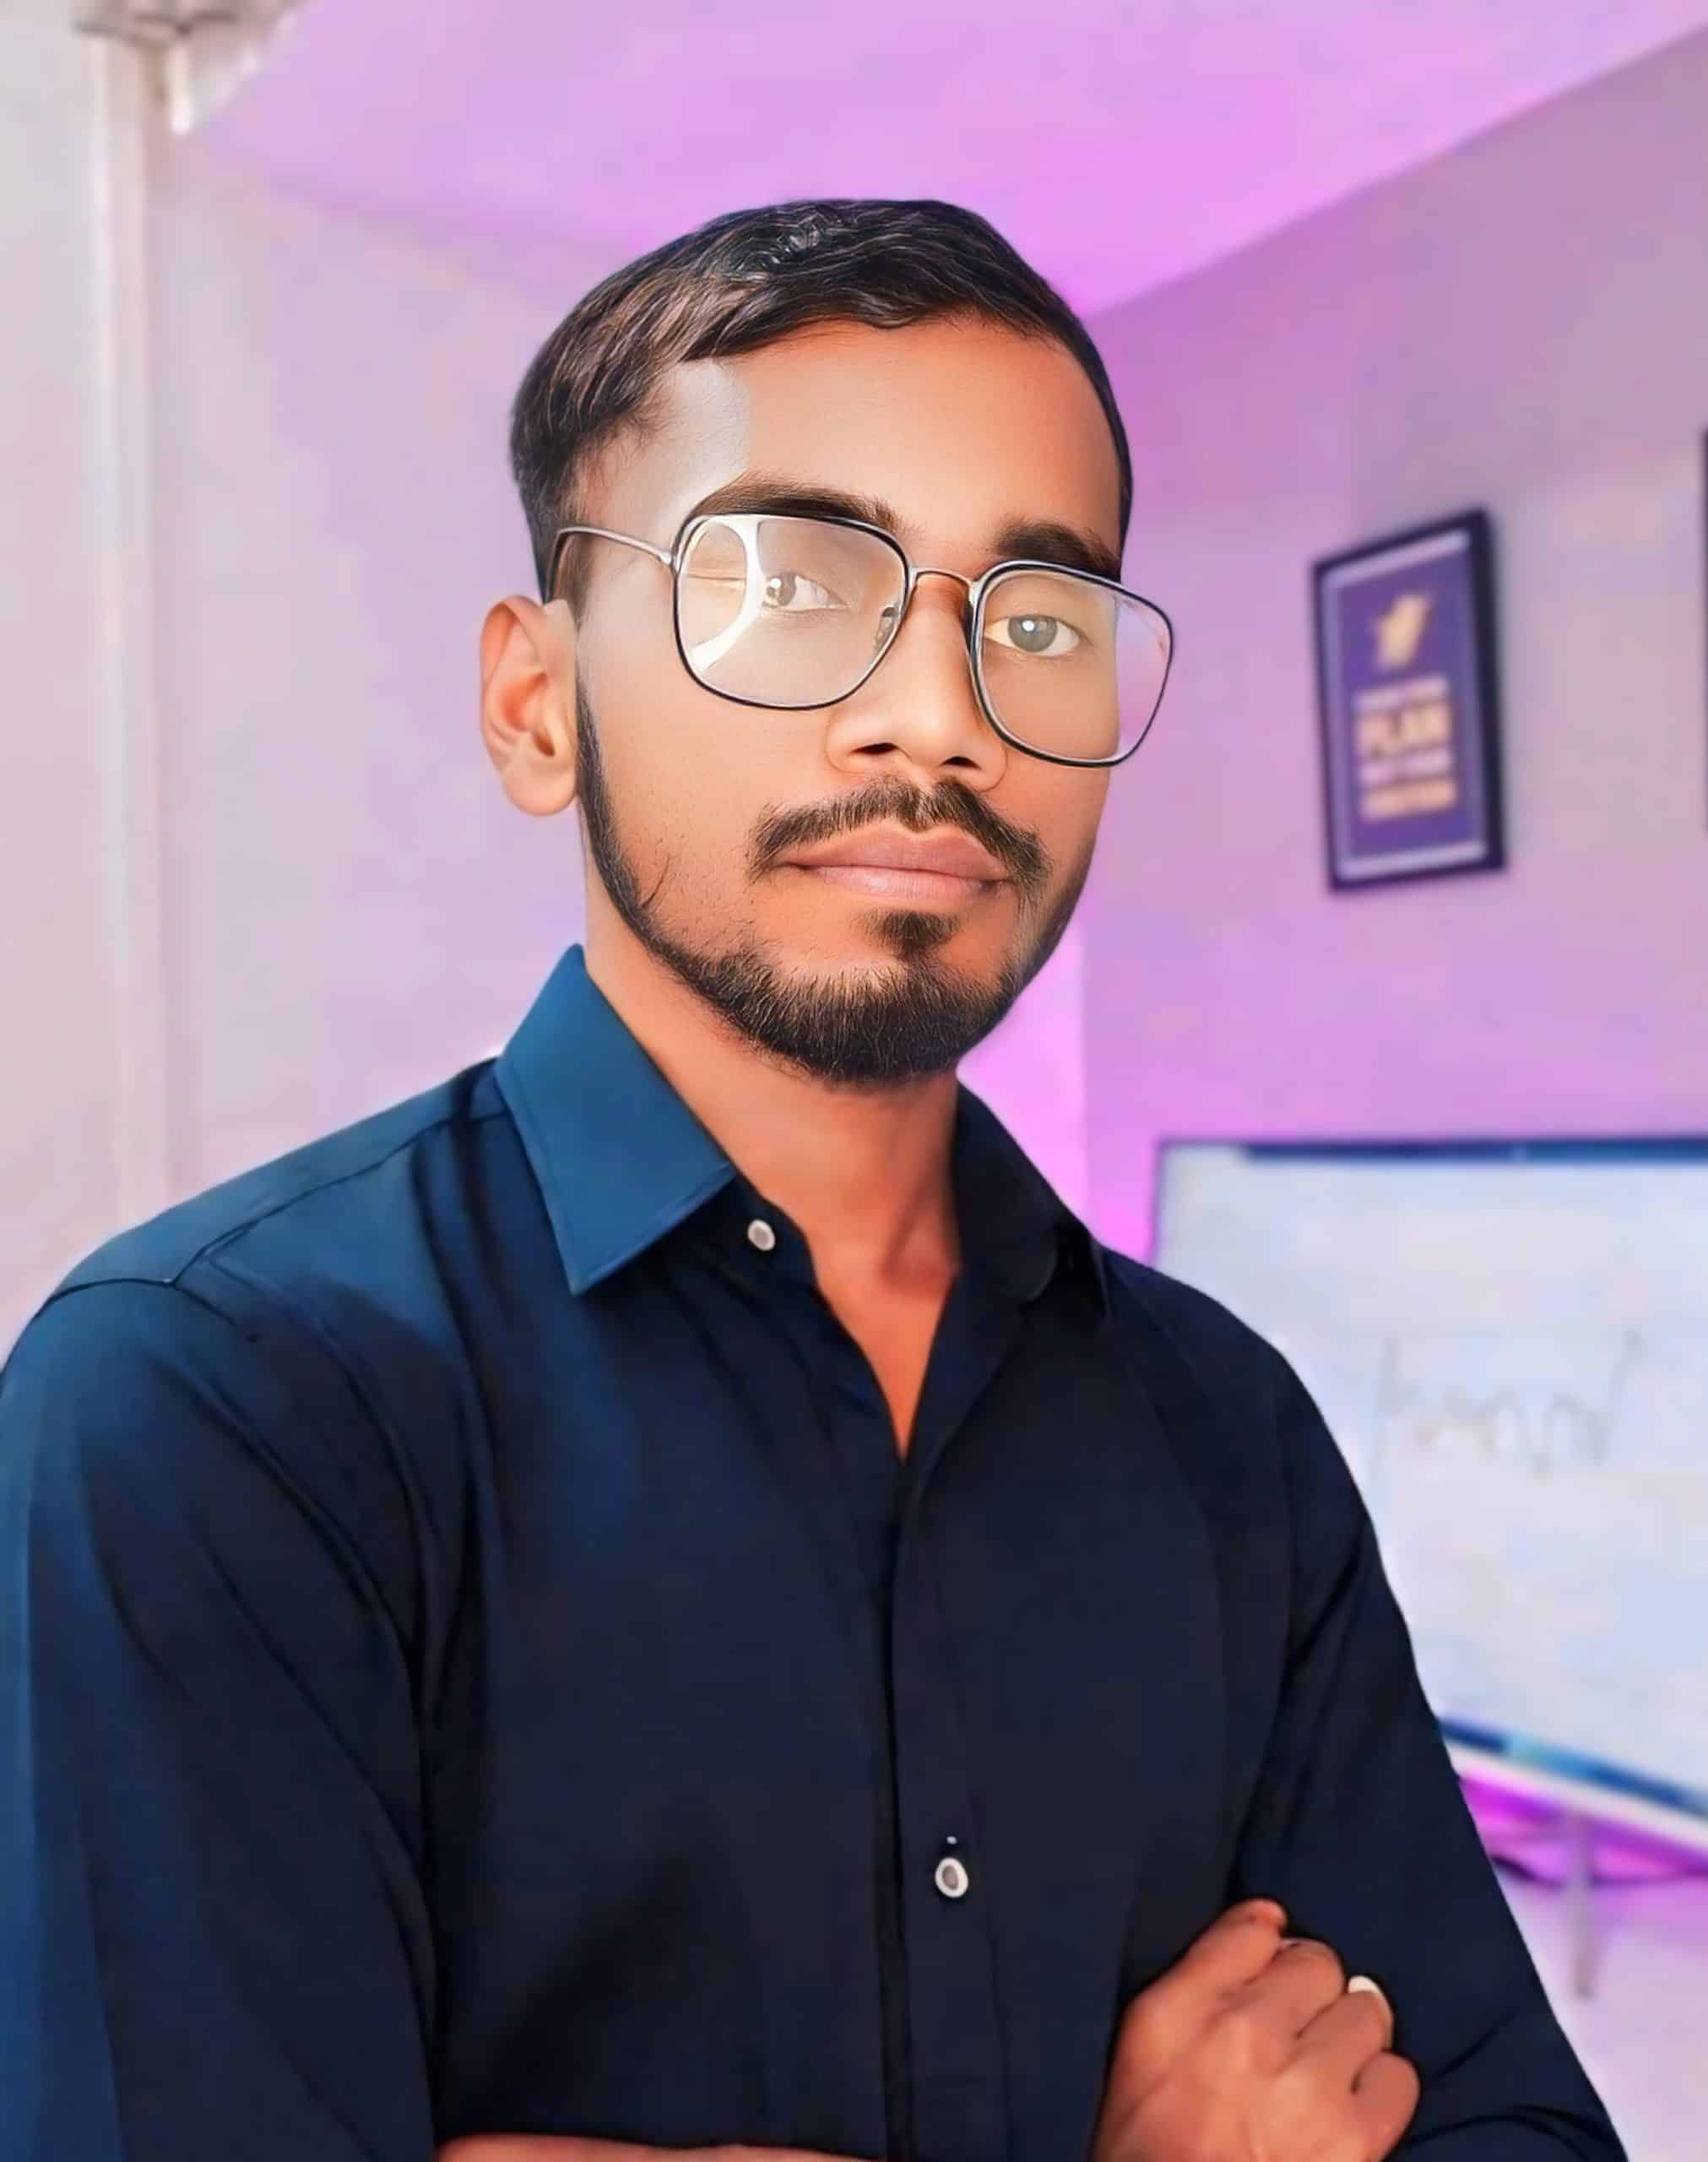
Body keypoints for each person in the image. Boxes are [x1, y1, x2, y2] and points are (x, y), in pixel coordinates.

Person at [0, 198, 1623, 2162]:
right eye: (787, 583)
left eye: (1038, 620)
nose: (940, 714)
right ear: (537, 702)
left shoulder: (1217, 1427)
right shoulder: (217, 1407)